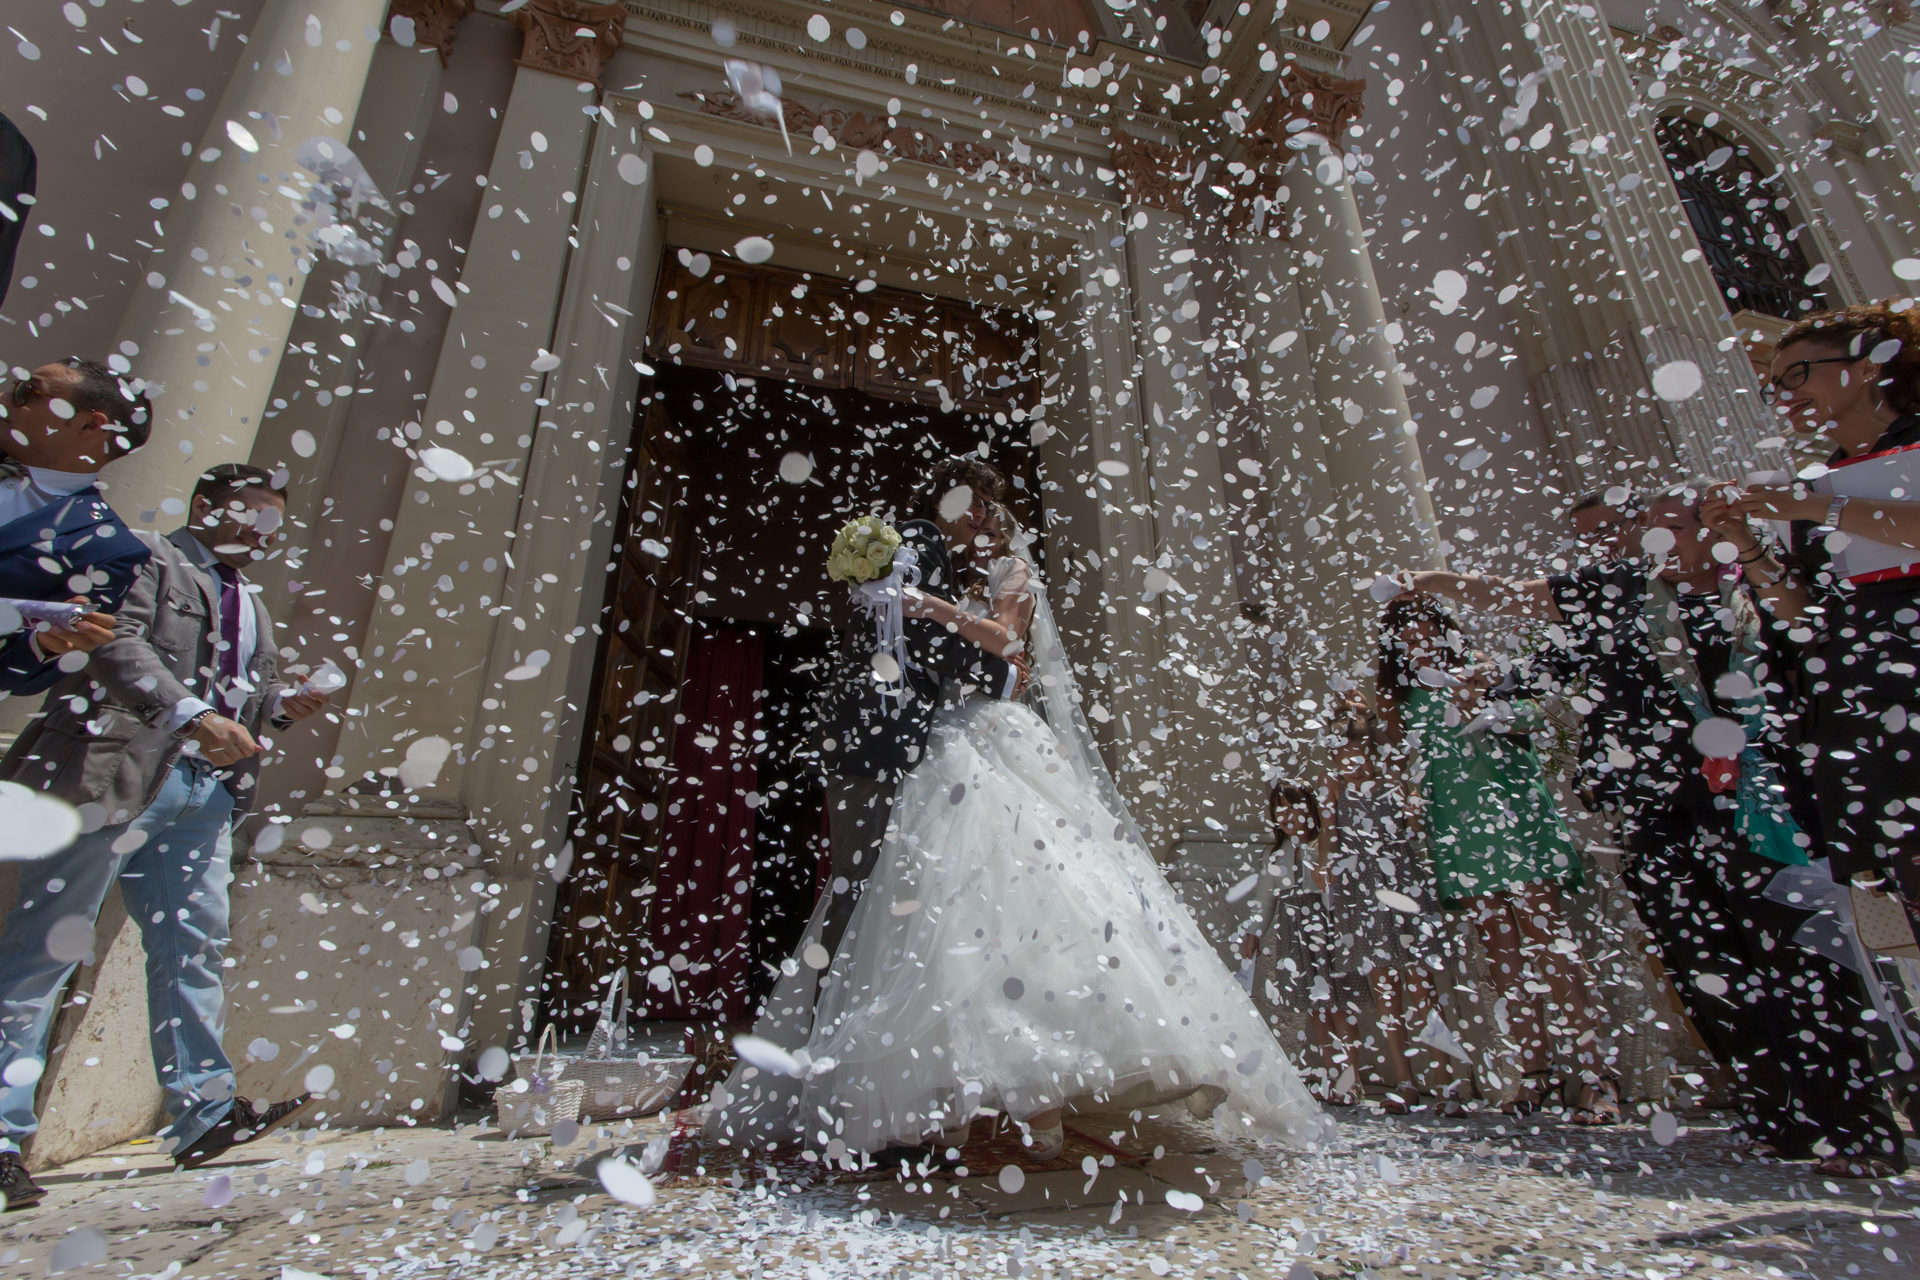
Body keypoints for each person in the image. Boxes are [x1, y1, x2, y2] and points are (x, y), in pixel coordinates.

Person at [708, 500, 1332, 1162]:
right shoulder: (936, 568)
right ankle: (953, 1095)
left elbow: (1007, 648)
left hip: (994, 742)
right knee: (946, 916)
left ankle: (1043, 1094)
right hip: (939, 747)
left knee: (1038, 897)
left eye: (985, 517)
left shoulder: (1009, 576)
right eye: (966, 515)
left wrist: (934, 609)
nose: (977, 527)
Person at [1397, 484, 1907, 1176]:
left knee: (1806, 966)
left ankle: (1855, 1126)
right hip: (1660, 812)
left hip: (1771, 810)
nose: (1652, 541)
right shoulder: (1624, 595)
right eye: (1646, 529)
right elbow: (1524, 597)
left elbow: (1819, 648)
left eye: (1671, 527)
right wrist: (1436, 583)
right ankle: (1779, 1116)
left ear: (1717, 532)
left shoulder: (1759, 590)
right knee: (1711, 969)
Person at [0, 463, 331, 1209]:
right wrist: (194, 716)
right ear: (205, 506)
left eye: (272, 524)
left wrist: (282, 704)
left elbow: (243, 696)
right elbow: (115, 646)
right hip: (107, 773)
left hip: (201, 792)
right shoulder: (144, 555)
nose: (261, 534)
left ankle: (204, 1115)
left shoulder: (249, 598)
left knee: (191, 949)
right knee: (42, 951)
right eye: (249, 516)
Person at [1707, 301, 1920, 947]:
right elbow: (1806, 620)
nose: (1785, 395)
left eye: (1798, 373)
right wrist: (1749, 545)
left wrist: (1807, 504)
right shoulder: (1815, 486)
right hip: (1865, 706)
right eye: (1775, 386)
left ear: (1865, 366)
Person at [1375, 597, 1616, 1122]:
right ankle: (1534, 1072)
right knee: (1501, 953)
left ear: (1447, 633)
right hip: (1457, 824)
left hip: (1511, 812)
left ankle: (1597, 1076)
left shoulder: (1484, 669)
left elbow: (1536, 716)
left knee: (1549, 941)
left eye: (1430, 634)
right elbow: (1398, 757)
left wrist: (1491, 707)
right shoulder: (1398, 695)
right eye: (1411, 638)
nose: (1423, 646)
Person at [0, 359, 155, 693]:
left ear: (88, 425)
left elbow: (18, 679)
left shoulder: (108, 548)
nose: (4, 396)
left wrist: (43, 644)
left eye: (27, 391)